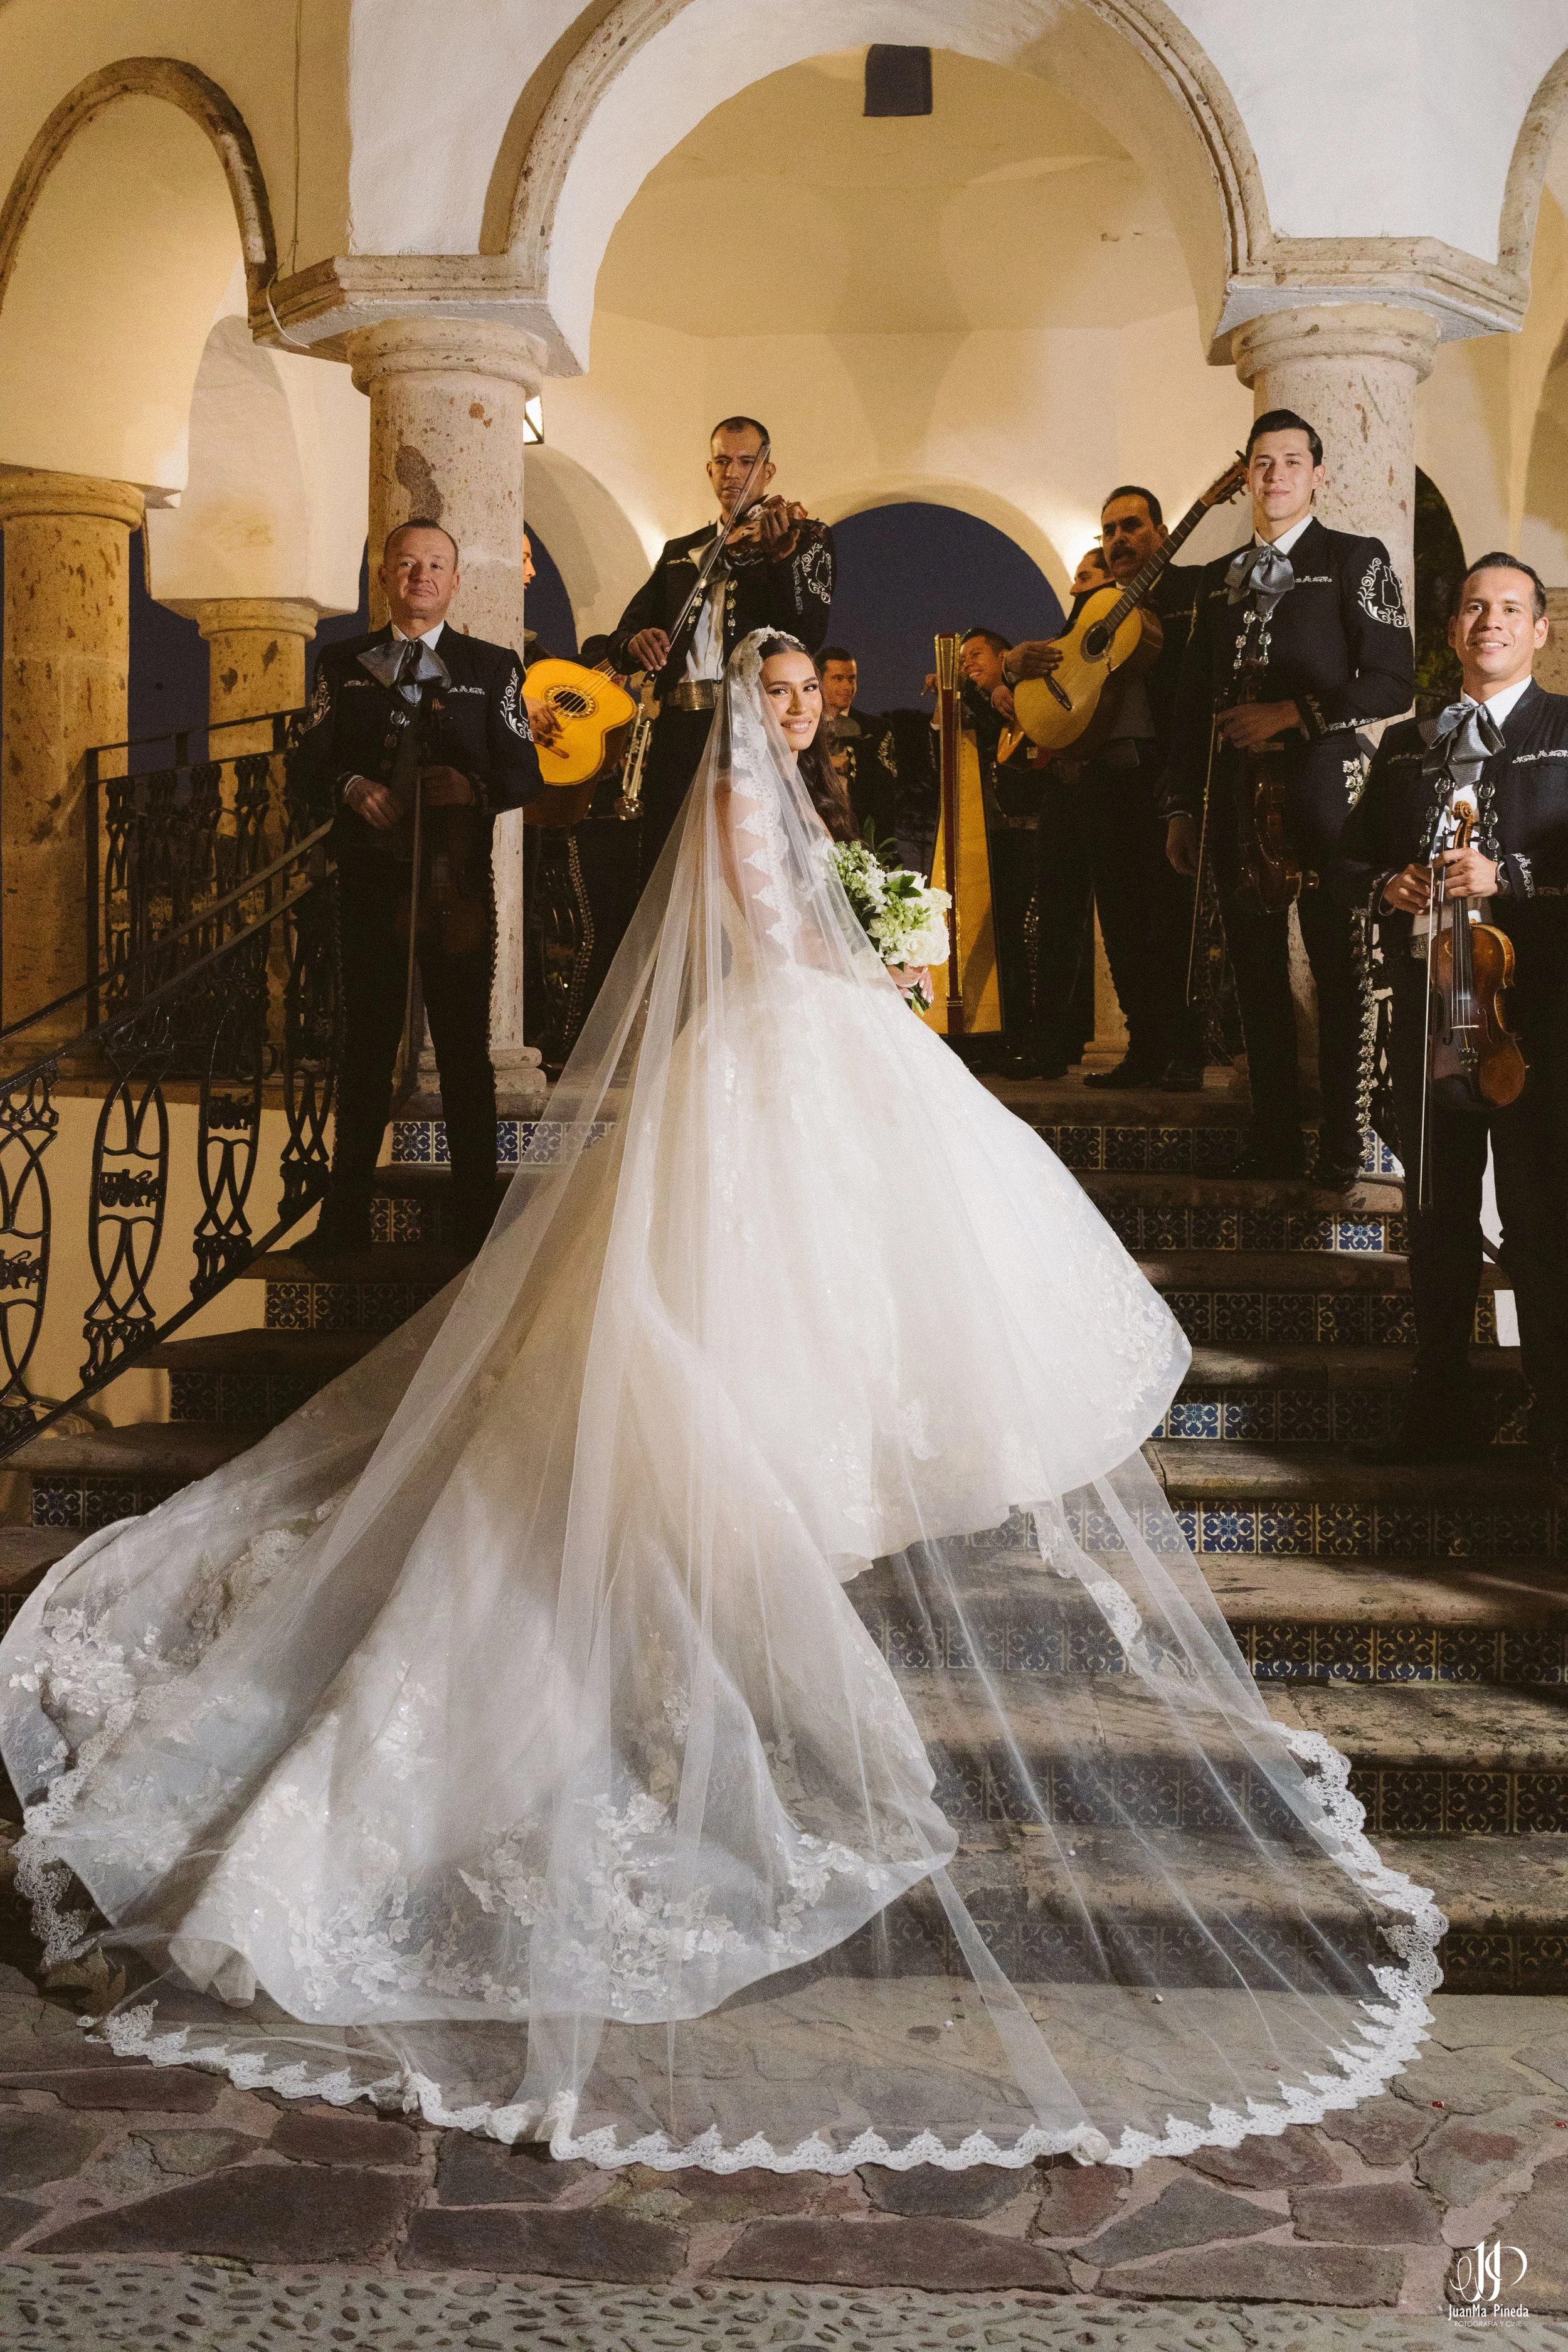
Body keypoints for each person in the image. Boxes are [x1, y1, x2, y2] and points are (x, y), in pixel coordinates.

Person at [0, 630, 1441, 2179]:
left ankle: (830, 1476)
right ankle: (757, 1492)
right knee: (761, 1278)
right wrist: (870, 958)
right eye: (774, 690)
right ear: (740, 709)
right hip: (775, 1046)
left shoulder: (804, 788)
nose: (798, 705)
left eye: (813, 688)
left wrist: (871, 948)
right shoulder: (741, 804)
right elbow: (766, 924)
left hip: (816, 1047)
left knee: (876, 1270)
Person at [1337, 554, 1568, 1475]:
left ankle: (1557, 1423)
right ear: (1451, 627)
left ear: (1541, 632)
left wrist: (1511, 878)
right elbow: (1347, 861)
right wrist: (1386, 883)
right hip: (1432, 1018)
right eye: (1475, 607)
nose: (1490, 622)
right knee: (1434, 1225)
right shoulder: (1409, 742)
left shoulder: (1564, 730)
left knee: (1541, 1223)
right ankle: (1437, 1412)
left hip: (1539, 1024)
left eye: (1511, 608)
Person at [1162, 411, 1415, 1186]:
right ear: (1245, 475)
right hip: (1237, 805)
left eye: (1291, 461)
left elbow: (1393, 679)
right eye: (1262, 463)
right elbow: (1189, 702)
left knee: (1341, 976)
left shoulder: (1353, 559)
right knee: (1256, 980)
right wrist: (1179, 804)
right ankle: (1270, 1138)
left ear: (1317, 475)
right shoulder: (1217, 577)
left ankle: (1343, 1146)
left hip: (1330, 802)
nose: (1275, 475)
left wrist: (1292, 715)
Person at [290, 519, 551, 1260]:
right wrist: (348, 785)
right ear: (385, 575)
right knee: (365, 1048)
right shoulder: (341, 663)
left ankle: (477, 1220)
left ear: (456, 580)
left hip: (457, 889)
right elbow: (304, 766)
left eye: (436, 564)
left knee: (466, 1053)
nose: (421, 576)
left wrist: (472, 786)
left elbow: (525, 774)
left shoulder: (492, 665)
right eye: (407, 564)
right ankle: (344, 1221)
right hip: (370, 881)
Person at [1004, 490, 1204, 1091]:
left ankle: (1183, 1053)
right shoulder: (1093, 604)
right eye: (1109, 529)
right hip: (1099, 781)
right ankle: (1145, 1050)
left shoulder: (1189, 593)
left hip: (1160, 780)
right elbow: (1063, 665)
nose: (1118, 539)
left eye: (1132, 526)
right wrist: (1016, 664)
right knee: (1119, 923)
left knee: (1167, 923)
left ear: (1161, 532)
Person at [608, 416, 835, 879]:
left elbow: (809, 632)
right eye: (723, 462)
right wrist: (635, 642)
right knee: (669, 864)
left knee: (747, 865)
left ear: (768, 472)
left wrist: (783, 559)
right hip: (678, 731)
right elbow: (619, 639)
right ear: (709, 470)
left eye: (748, 462)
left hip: (748, 730)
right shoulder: (681, 550)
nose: (733, 473)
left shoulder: (805, 537)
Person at [1024, 548, 1111, 1078]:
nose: (1076, 589)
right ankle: (1048, 1044)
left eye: (1086, 579)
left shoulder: (1123, 641)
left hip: (1110, 792)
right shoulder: (1066, 643)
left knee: (1122, 925)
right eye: (1076, 580)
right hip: (1063, 792)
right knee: (1055, 923)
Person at [956, 627, 1044, 1075]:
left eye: (976, 655)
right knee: (1003, 935)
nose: (969, 664)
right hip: (997, 835)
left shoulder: (1036, 691)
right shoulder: (979, 705)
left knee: (1030, 936)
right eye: (962, 660)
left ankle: (1036, 1037)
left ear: (1006, 655)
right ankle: (1002, 1035)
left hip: (1035, 829)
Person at [817, 645, 899, 842]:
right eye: (838, 679)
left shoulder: (877, 729)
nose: (847, 687)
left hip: (862, 841)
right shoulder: (804, 726)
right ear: (819, 681)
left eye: (852, 679)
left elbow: (887, 797)